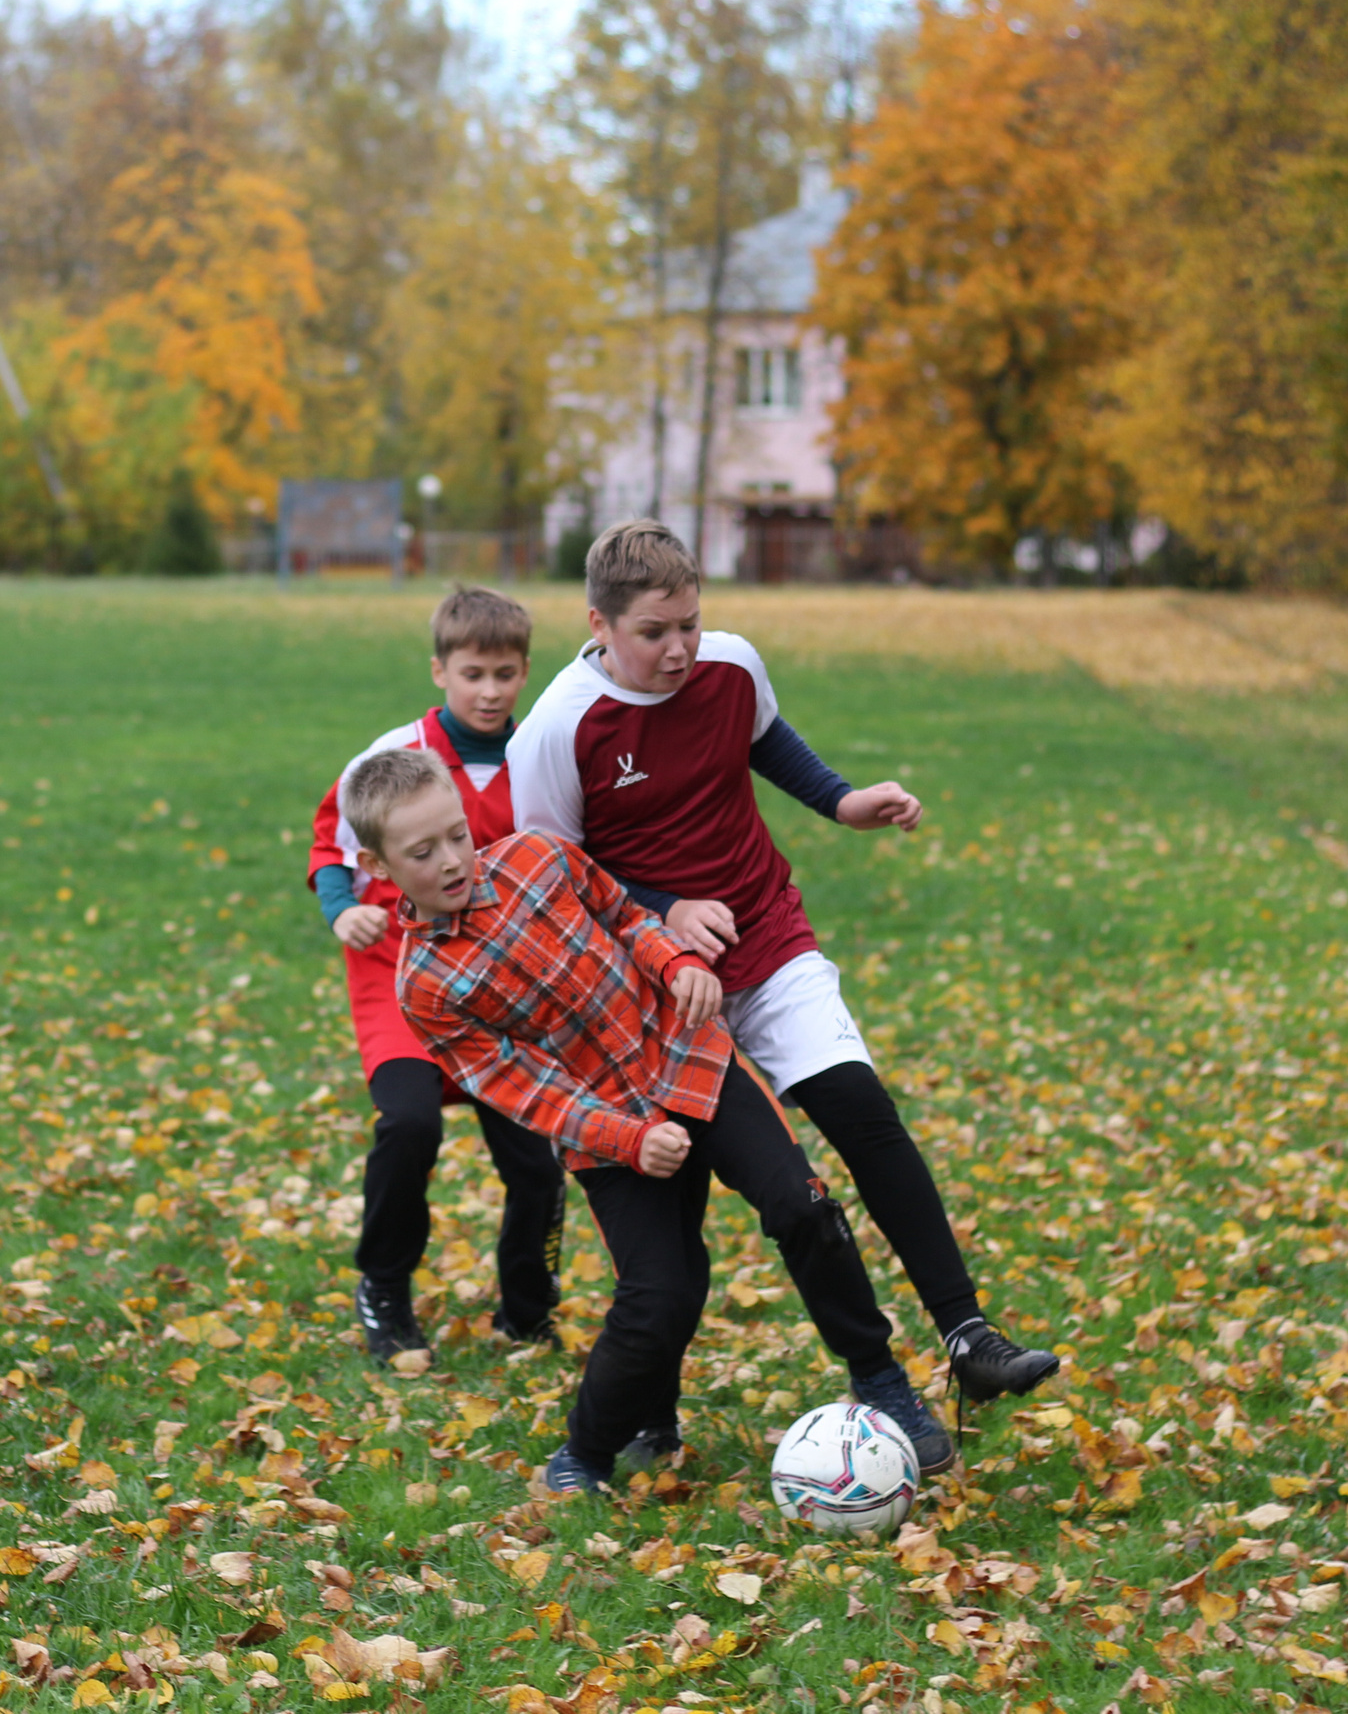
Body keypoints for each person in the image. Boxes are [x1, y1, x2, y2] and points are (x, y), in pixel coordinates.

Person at [507, 520, 1058, 1474]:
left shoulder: (729, 666)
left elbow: (768, 742)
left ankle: (968, 1336)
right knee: (678, 1216)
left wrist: (844, 801)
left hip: (765, 933)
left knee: (859, 1106)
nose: (680, 646)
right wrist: (666, 913)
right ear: (597, 623)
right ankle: (649, 1410)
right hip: (654, 992)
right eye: (654, 631)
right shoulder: (558, 728)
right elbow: (553, 886)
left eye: (692, 620)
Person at [345, 744, 909, 1494]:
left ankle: (877, 1373)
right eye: (423, 851)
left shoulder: (540, 856)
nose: (453, 859)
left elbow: (623, 912)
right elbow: (525, 1090)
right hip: (607, 1131)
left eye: (458, 834)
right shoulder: (426, 985)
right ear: (381, 869)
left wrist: (675, 962)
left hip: (690, 1058)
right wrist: (630, 1140)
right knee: (661, 1293)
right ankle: (588, 1450)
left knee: (801, 1205)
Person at [306, 586, 567, 1362]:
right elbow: (331, 844)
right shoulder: (394, 757)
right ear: (440, 671)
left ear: (525, 673)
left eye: (505, 673)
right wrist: (340, 909)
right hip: (399, 974)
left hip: (499, 990)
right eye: (473, 673)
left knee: (538, 1154)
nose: (489, 691)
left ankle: (528, 1308)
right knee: (410, 1124)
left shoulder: (541, 763)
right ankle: (383, 1288)